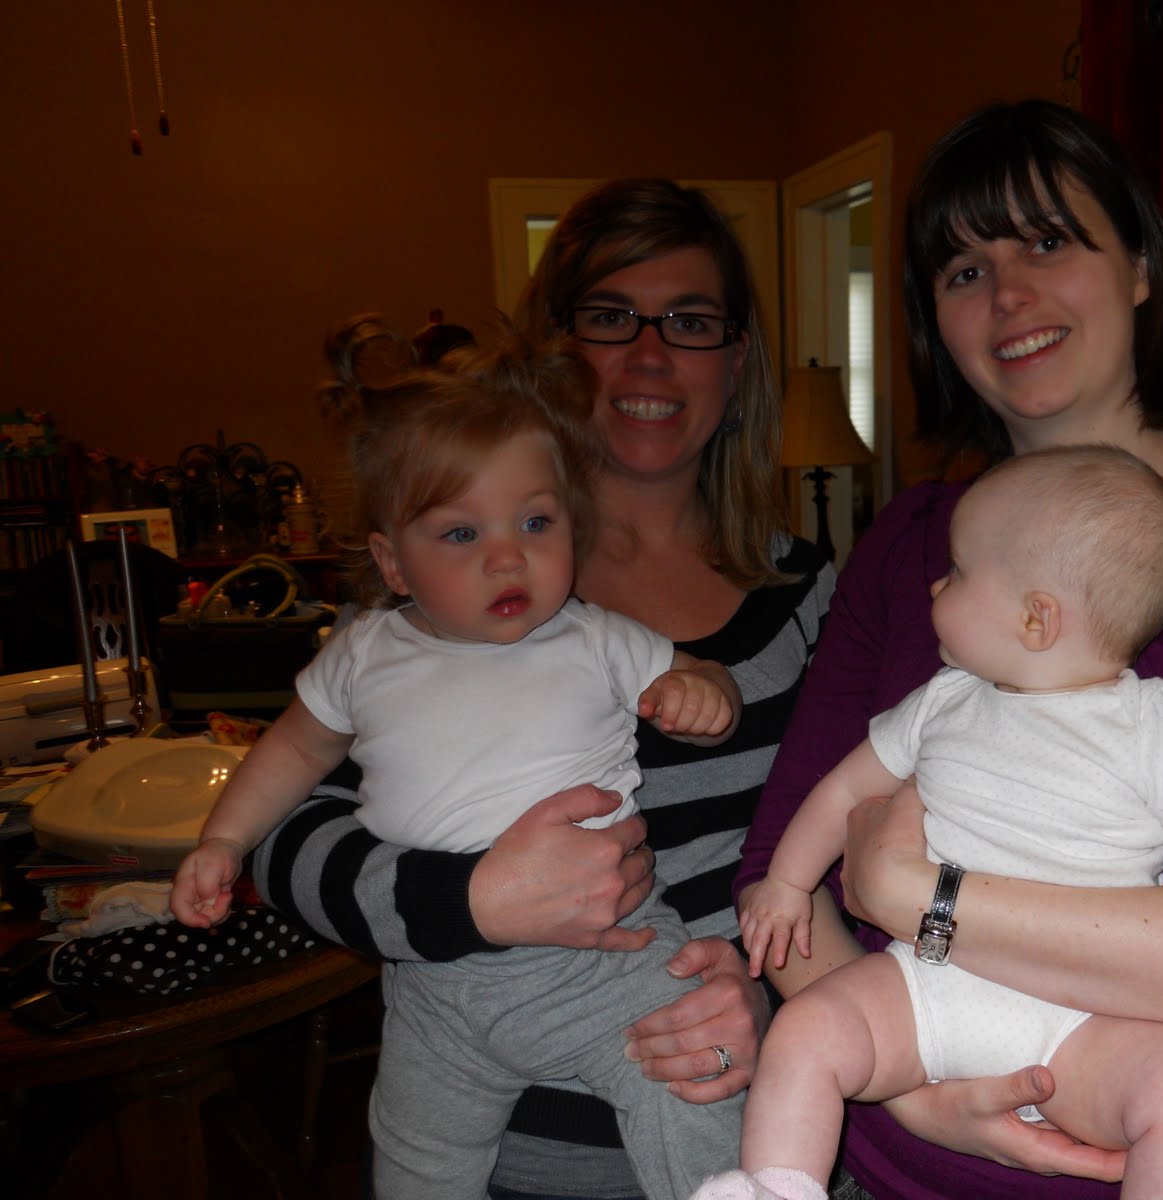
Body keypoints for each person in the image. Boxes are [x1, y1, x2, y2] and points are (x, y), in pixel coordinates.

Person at [735, 100, 1163, 1200]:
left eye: (1046, 240)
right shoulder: (902, 547)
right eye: (962, 271)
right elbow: (780, 877)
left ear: (1138, 267)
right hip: (903, 1172)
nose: (1006, 295)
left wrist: (915, 895)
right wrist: (910, 1083)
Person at [246, 179, 835, 1199]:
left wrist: (779, 1002)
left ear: (736, 361)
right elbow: (279, 838)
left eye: (691, 322)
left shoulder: (810, 592)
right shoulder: (445, 591)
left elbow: (862, 854)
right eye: (610, 317)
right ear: (554, 354)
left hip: (750, 1138)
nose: (649, 356)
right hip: (507, 1163)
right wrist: (471, 900)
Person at [170, 329, 746, 1200]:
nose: (507, 557)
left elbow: (701, 680)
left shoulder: (597, 638)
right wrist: (223, 840)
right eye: (462, 532)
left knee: (693, 1093)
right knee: (415, 1159)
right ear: (393, 564)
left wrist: (704, 695)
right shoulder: (364, 653)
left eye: (536, 523)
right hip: (435, 981)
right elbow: (291, 749)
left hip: (604, 964)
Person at [710, 445, 1163, 1200]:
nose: (936, 584)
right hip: (925, 991)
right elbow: (842, 792)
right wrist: (785, 882)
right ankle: (776, 1189)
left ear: (1036, 618)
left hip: (1086, 1023)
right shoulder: (943, 700)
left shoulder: (1148, 727)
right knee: (805, 1032)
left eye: (959, 571)